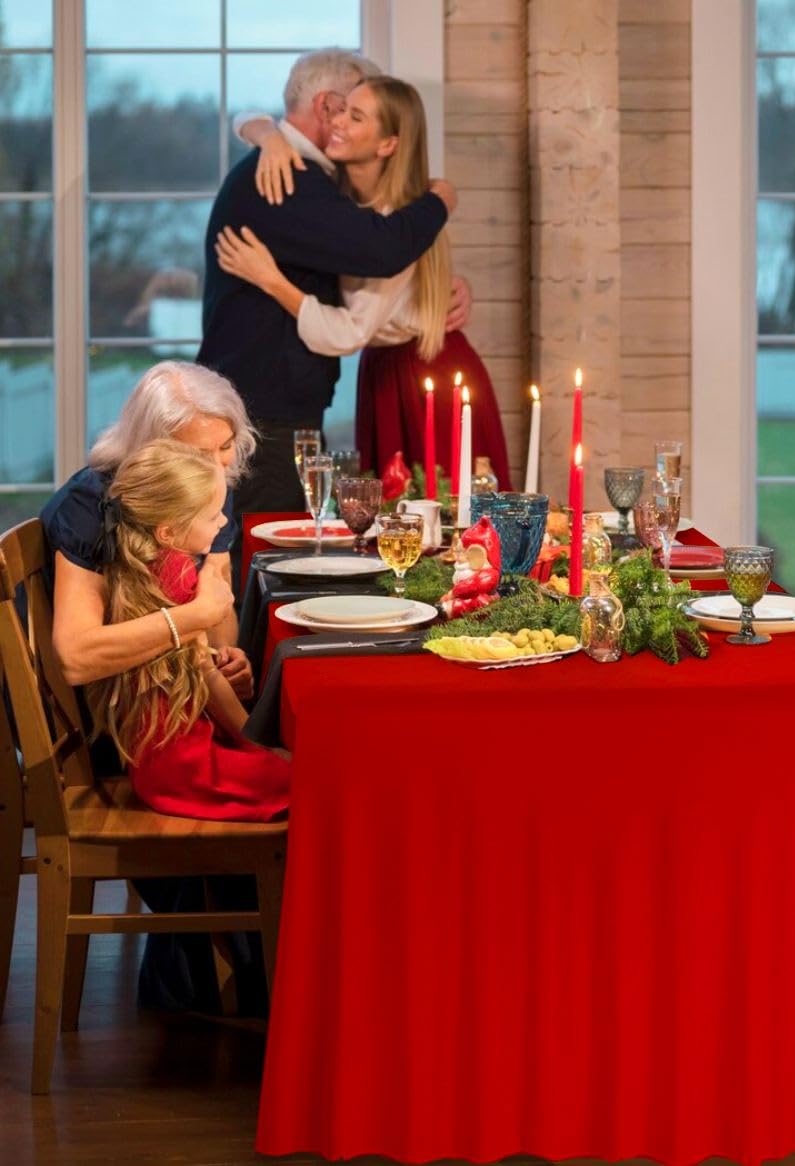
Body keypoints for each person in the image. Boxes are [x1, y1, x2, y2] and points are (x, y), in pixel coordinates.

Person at [197, 49, 459, 528]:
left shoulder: (293, 168)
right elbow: (381, 249)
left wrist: (263, 129)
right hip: (264, 413)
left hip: (263, 407)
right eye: (348, 109)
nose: (345, 121)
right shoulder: (290, 177)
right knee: (268, 552)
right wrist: (441, 198)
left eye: (360, 115)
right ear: (326, 106)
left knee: (265, 547)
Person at [216, 74, 513, 491]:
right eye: (339, 111)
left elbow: (348, 332)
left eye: (355, 117)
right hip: (384, 371)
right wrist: (269, 136)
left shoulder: (395, 223)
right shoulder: (340, 195)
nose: (338, 122)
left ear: (388, 144)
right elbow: (244, 118)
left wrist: (271, 280)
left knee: (441, 520)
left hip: (427, 375)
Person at [87, 440, 290, 821]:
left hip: (156, 763)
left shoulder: (138, 565)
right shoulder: (177, 574)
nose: (224, 521)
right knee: (309, 778)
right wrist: (258, 743)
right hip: (187, 770)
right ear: (168, 531)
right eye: (212, 514)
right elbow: (206, 674)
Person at [41, 360, 254, 699]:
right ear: (151, 449)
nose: (217, 468)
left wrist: (225, 659)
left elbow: (215, 593)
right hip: (108, 708)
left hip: (179, 689)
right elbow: (75, 659)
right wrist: (190, 619)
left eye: (226, 446)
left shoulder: (210, 484)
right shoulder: (88, 507)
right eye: (199, 454)